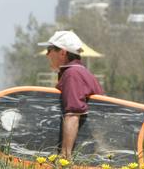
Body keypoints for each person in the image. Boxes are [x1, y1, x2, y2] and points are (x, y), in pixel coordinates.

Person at [39, 31, 104, 159]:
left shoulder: (72, 74)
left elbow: (73, 115)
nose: (47, 54)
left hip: (86, 154)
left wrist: (65, 158)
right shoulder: (79, 72)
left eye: (49, 49)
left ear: (62, 52)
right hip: (89, 150)